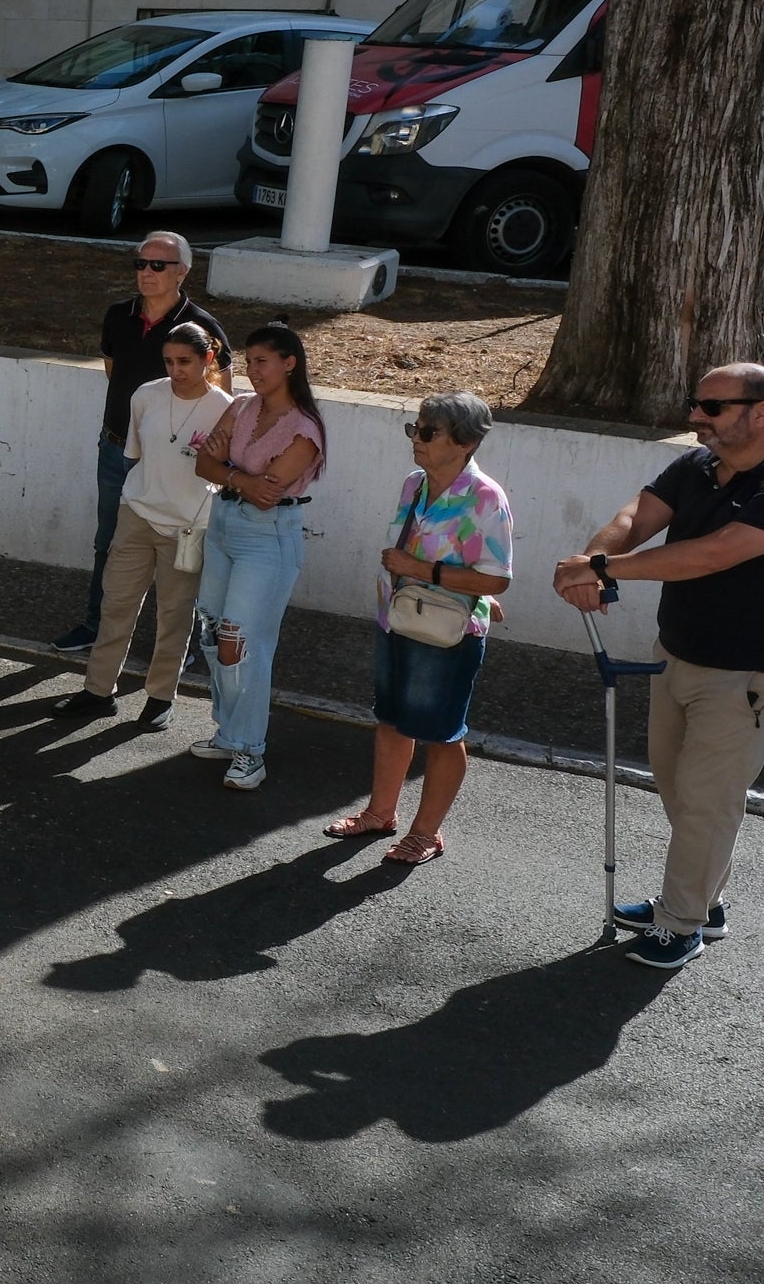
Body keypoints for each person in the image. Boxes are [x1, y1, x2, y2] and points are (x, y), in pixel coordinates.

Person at [552, 361, 764, 971]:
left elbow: (713, 554)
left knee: (705, 801)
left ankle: (681, 925)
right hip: (674, 656)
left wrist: (603, 572)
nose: (695, 416)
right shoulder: (695, 466)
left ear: (759, 412)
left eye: (712, 407)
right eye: (694, 402)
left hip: (744, 676)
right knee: (678, 789)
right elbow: (633, 519)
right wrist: (593, 558)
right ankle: (704, 903)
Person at [324, 392, 511, 865]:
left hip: (447, 634)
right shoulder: (415, 483)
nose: (417, 439)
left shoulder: (486, 498)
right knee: (389, 719)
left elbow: (499, 576)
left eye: (429, 432)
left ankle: (426, 832)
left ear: (465, 441)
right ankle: (380, 813)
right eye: (416, 429)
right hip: (398, 617)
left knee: (442, 732)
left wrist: (421, 570)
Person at [55, 233, 232, 652]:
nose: (146, 273)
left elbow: (222, 401)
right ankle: (97, 626)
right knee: (108, 541)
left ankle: (182, 646)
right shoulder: (118, 315)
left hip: (178, 463)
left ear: (183, 272)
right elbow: (114, 371)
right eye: (140, 264)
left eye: (158, 265)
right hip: (116, 448)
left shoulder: (202, 327)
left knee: (183, 553)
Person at [59, 323, 233, 729]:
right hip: (138, 514)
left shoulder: (226, 408)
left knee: (174, 614)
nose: (176, 370)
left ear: (208, 359)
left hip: (189, 527)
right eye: (169, 361)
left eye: (185, 362)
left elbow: (225, 470)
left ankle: (160, 698)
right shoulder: (146, 395)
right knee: (116, 603)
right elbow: (137, 454)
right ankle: (98, 690)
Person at [186, 319, 326, 793]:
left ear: (290, 364)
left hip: (268, 538)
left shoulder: (305, 429)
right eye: (249, 362)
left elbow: (272, 490)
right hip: (225, 525)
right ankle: (230, 732)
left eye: (262, 361)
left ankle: (250, 749)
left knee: (241, 641)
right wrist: (242, 478)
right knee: (211, 628)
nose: (253, 371)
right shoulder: (243, 406)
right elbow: (204, 462)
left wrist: (232, 474)